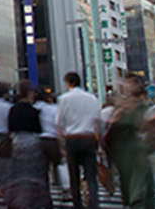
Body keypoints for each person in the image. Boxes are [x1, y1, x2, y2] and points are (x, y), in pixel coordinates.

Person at [104, 76, 155, 209]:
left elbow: (146, 127)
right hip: (124, 150)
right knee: (131, 183)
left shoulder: (138, 106)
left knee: (138, 185)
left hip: (133, 148)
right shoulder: (125, 105)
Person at [56, 72, 101, 209]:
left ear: (69, 83)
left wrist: (61, 144)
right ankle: (94, 202)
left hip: (72, 139)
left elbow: (60, 123)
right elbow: (97, 121)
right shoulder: (92, 98)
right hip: (88, 138)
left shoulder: (64, 99)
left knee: (73, 174)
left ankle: (78, 203)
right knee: (91, 174)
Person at [6, 80, 50, 208]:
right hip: (32, 144)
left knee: (19, 175)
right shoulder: (33, 110)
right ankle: (35, 202)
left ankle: (19, 202)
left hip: (17, 143)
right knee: (34, 175)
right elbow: (38, 128)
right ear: (30, 93)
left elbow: (10, 127)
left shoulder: (13, 109)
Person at [34, 88, 61, 202]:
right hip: (53, 139)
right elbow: (59, 126)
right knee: (58, 165)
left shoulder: (36, 108)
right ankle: (63, 189)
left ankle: (44, 195)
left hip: (40, 140)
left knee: (42, 170)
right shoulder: (54, 109)